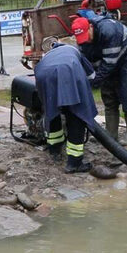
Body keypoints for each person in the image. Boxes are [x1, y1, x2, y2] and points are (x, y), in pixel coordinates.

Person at [70, 12, 127, 146]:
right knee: (108, 95)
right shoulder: (83, 40)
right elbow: (86, 61)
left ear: (90, 27)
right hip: (109, 58)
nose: (87, 41)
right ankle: (110, 134)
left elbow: (108, 64)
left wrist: (94, 82)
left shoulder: (109, 32)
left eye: (87, 36)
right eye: (82, 39)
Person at [34, 40, 98, 174]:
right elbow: (91, 75)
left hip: (42, 74)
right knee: (76, 115)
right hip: (67, 70)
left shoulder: (48, 55)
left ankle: (54, 149)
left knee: (52, 112)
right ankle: (74, 163)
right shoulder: (74, 51)